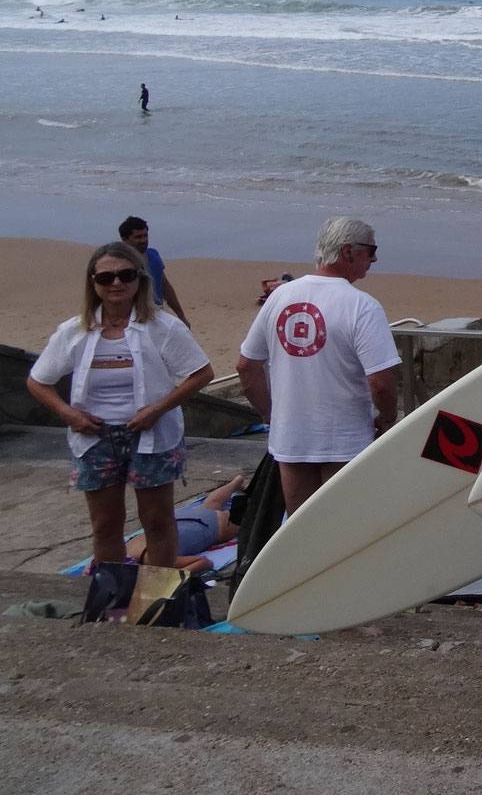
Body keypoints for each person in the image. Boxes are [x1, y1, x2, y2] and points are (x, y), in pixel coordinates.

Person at [25, 241, 214, 571]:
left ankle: (157, 602)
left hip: (152, 436)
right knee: (105, 525)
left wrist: (157, 409)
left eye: (125, 275)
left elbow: (201, 374)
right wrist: (68, 413)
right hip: (95, 438)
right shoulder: (73, 331)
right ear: (93, 283)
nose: (116, 283)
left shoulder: (164, 328)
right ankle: (113, 604)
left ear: (139, 279)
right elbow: (38, 381)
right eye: (106, 277)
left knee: (157, 522)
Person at [236, 217, 400, 516]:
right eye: (371, 250)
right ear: (348, 251)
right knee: (344, 530)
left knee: (301, 531)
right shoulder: (362, 306)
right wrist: (388, 419)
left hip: (292, 437)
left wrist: (271, 416)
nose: (375, 258)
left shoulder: (279, 297)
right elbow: (380, 382)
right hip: (344, 439)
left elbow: (247, 367)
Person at [118, 216, 188, 325]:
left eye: (145, 235)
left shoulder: (154, 255)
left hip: (157, 315)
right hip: (133, 319)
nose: (144, 240)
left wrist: (181, 315)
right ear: (125, 239)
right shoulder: (118, 264)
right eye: (138, 237)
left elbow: (164, 286)